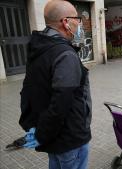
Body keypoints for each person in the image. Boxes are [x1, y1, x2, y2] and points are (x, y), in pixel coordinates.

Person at [19, 1, 92, 169]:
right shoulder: (65, 54)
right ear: (66, 22)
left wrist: (37, 129)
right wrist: (42, 134)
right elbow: (61, 103)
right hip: (70, 138)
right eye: (77, 19)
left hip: (53, 137)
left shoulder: (39, 47)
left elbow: (28, 90)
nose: (79, 24)